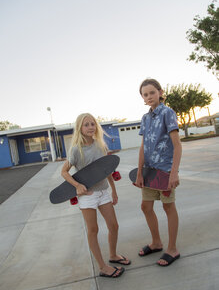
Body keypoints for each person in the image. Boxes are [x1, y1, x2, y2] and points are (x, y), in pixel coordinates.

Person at [61, 113, 131, 278]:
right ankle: (102, 266)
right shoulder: (76, 150)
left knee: (114, 226)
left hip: (103, 191)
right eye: (86, 124)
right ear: (80, 128)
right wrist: (77, 185)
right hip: (88, 196)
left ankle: (113, 255)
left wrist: (113, 190)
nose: (90, 127)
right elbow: (64, 172)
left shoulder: (100, 146)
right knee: (93, 230)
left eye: (93, 124)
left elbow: (107, 170)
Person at [135, 78, 182, 266]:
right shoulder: (145, 118)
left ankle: (172, 249)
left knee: (168, 207)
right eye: (145, 94)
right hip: (149, 172)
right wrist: (139, 172)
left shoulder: (168, 113)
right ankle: (156, 242)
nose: (149, 97)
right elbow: (142, 147)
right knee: (146, 207)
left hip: (165, 172)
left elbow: (177, 145)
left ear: (160, 92)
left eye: (152, 93)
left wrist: (174, 173)